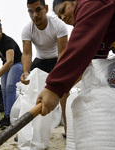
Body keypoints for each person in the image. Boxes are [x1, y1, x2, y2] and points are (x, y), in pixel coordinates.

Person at [36, 0, 115, 143]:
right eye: (60, 17)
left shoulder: (91, 3)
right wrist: (65, 87)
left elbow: (80, 45)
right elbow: (89, 62)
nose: (63, 18)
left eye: (63, 10)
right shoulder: (96, 25)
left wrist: (54, 87)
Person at [20, 0, 69, 137]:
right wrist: (25, 72)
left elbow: (63, 53)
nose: (35, 15)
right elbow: (27, 53)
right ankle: (24, 131)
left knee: (64, 93)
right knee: (29, 90)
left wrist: (57, 77)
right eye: (30, 11)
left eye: (38, 9)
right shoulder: (27, 30)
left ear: (46, 8)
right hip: (40, 60)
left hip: (57, 60)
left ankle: (67, 129)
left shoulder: (58, 25)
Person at [0, 15, 23, 128]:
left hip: (17, 63)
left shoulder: (8, 41)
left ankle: (10, 117)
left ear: (0, 29)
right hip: (6, 63)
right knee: (3, 89)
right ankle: (7, 116)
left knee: (10, 87)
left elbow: (10, 61)